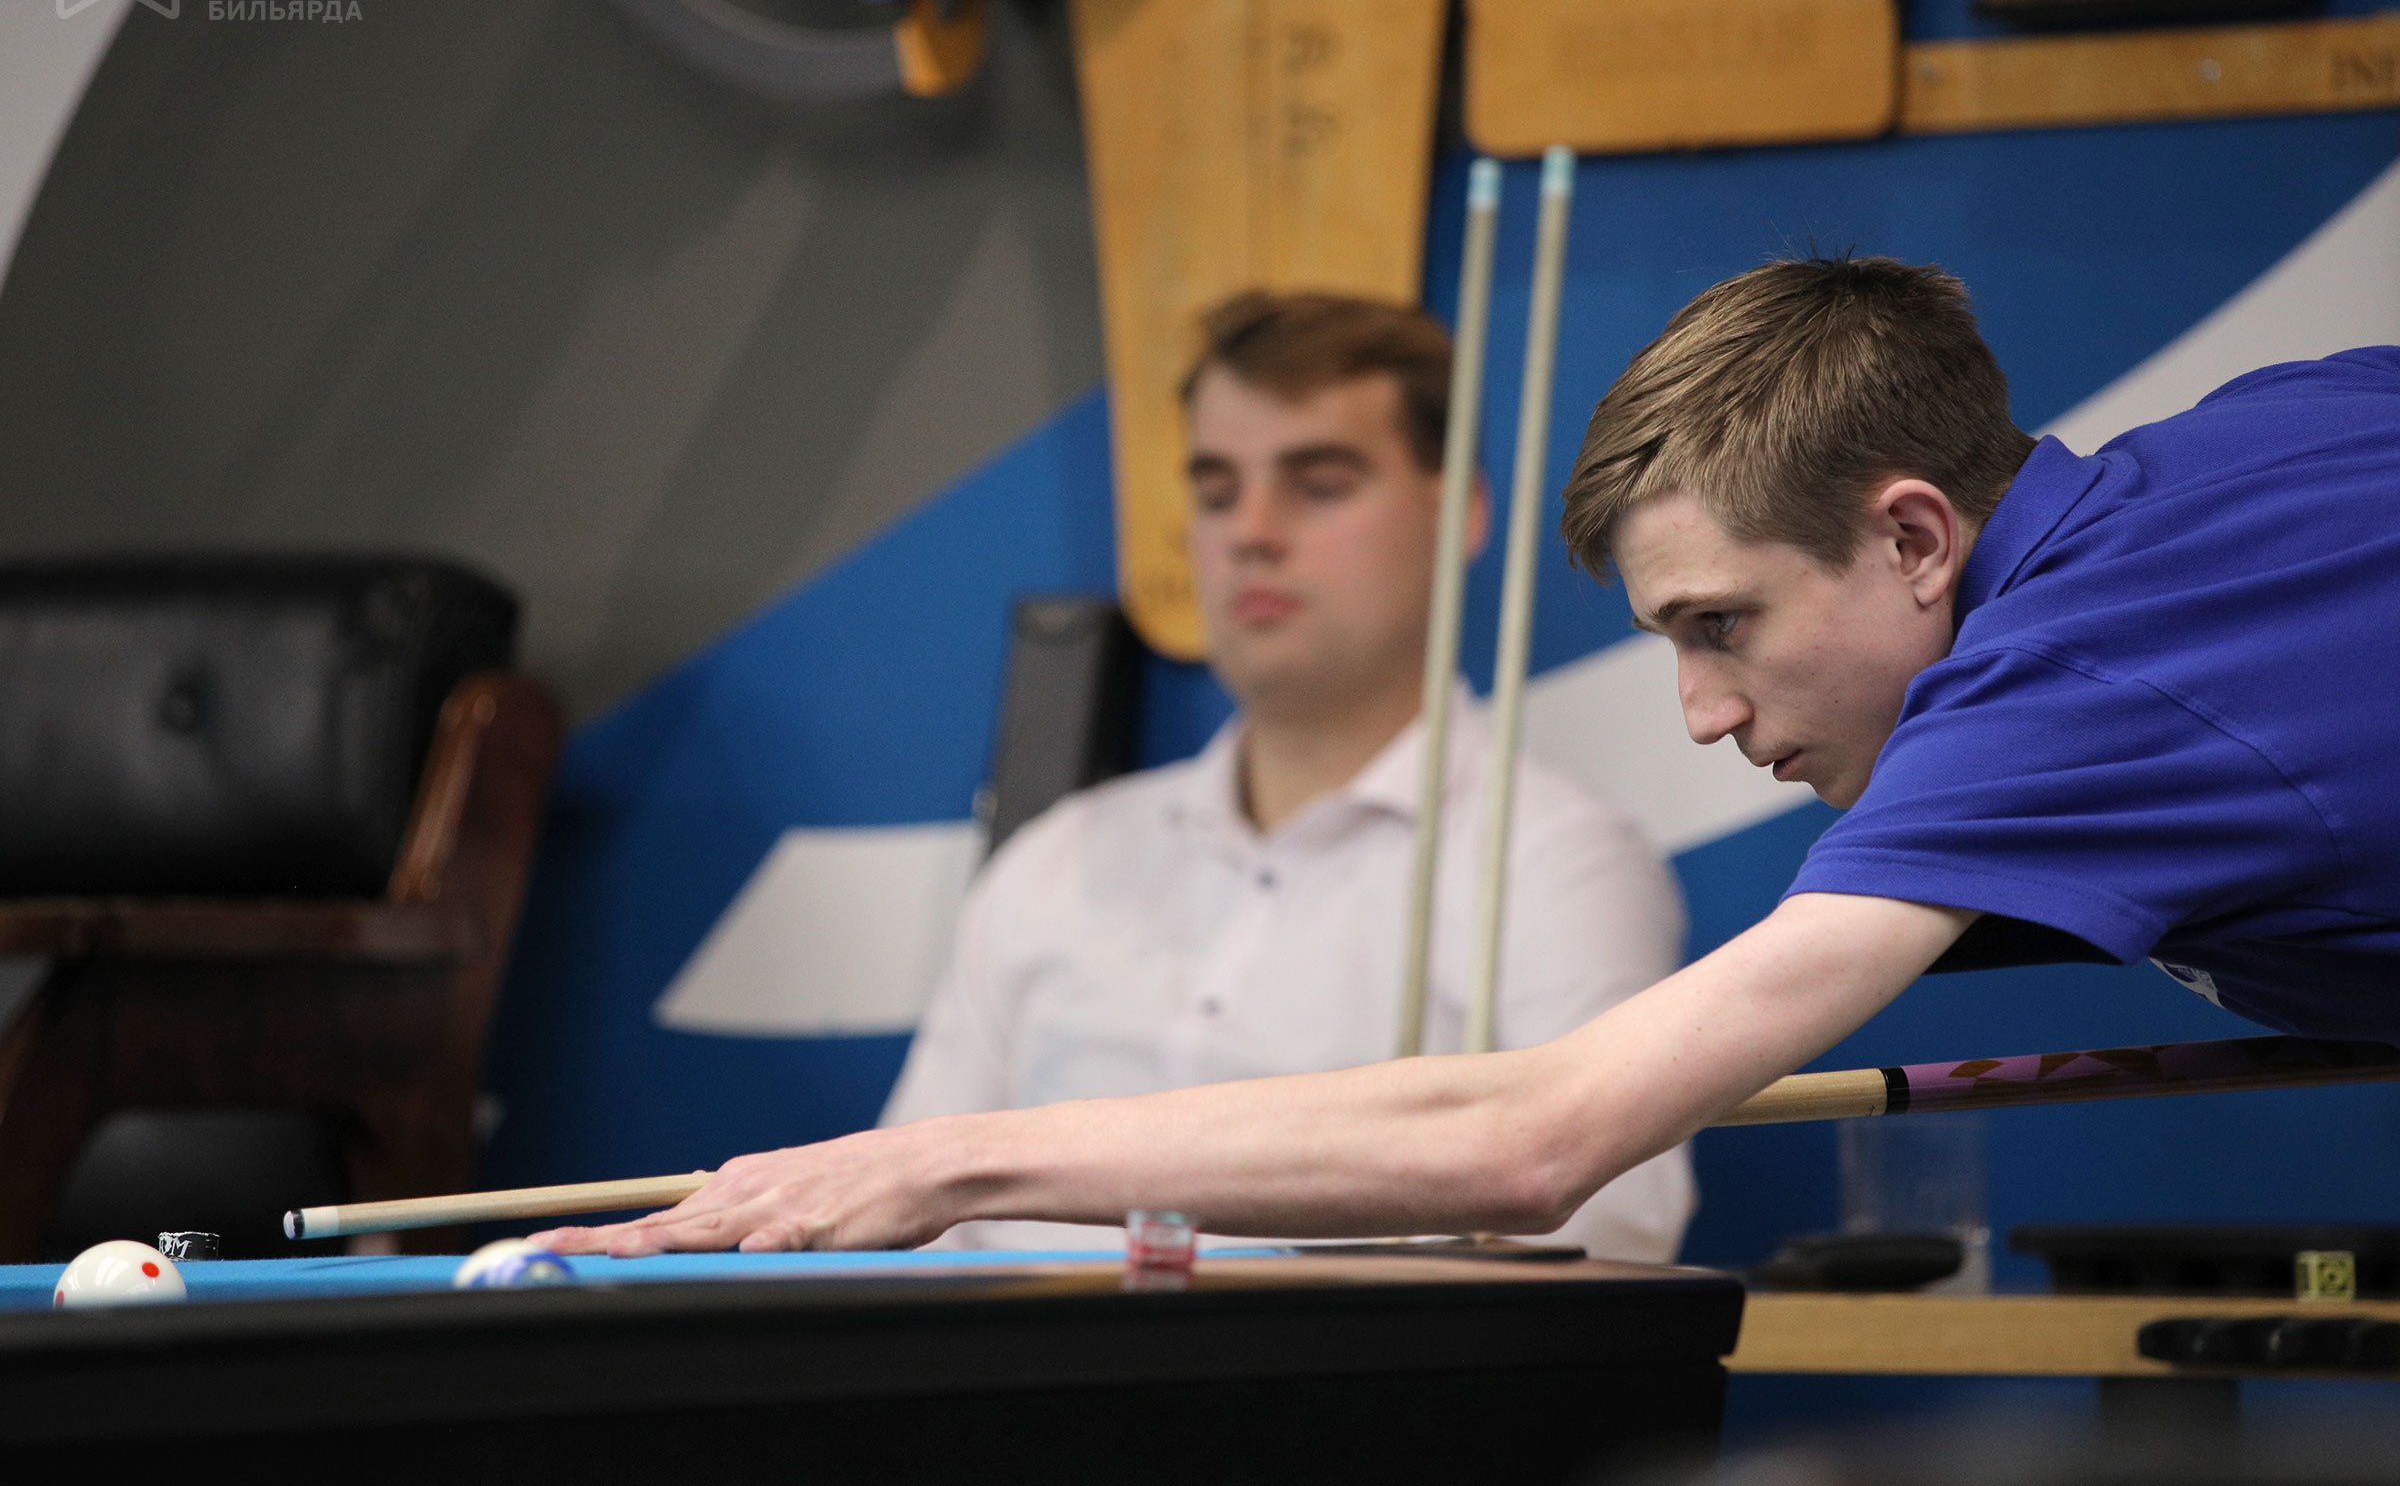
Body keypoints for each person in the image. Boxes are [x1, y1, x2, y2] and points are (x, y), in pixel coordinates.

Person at [534, 255, 2400, 1258]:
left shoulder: (2060, 683)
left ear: (1916, 536)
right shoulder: (2275, 431)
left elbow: (1536, 1145)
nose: (1706, 715)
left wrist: (940, 1168)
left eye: (1721, 625)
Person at [878, 289, 1692, 1261]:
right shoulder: (1056, 861)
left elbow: (1613, 1227)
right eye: (1218, 492)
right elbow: (896, 1222)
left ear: (1459, 512)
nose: (1252, 531)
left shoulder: (1553, 862)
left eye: (1319, 485)